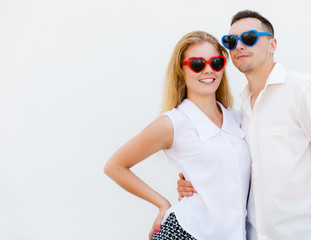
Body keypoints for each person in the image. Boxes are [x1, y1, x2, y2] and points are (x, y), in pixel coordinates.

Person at [177, 10, 311, 240]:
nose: (239, 46)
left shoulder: (301, 89)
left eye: (249, 38)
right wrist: (193, 182)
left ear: (272, 44)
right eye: (231, 41)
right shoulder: (242, 108)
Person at [104, 31, 251, 240]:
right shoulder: (173, 123)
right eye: (197, 64)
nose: (208, 70)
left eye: (216, 62)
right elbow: (115, 166)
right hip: (186, 233)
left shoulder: (238, 119)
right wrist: (161, 202)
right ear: (181, 70)